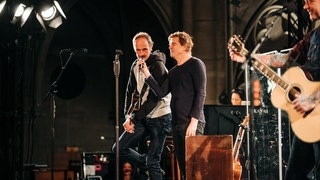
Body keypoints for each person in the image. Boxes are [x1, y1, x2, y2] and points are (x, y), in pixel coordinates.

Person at [228, 1, 320, 179]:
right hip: (306, 121)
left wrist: (314, 97)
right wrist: (248, 57)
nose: (305, 6)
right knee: (293, 175)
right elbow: (286, 57)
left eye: (309, 0)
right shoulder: (313, 36)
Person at [138, 31, 207, 179]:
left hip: (191, 123)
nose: (170, 47)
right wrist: (146, 73)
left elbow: (201, 93)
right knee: (183, 169)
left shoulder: (196, 64)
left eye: (174, 44)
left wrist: (194, 122)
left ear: (185, 45)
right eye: (170, 44)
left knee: (194, 168)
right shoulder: (173, 72)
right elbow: (161, 92)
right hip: (176, 124)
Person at [112, 32, 172, 180]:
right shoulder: (135, 65)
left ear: (151, 47)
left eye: (144, 49)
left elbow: (154, 99)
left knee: (153, 162)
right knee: (119, 148)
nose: (141, 53)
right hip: (144, 116)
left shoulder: (158, 65)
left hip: (160, 117)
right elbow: (130, 91)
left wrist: (134, 117)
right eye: (138, 50)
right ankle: (147, 162)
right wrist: (127, 116)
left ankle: (151, 164)